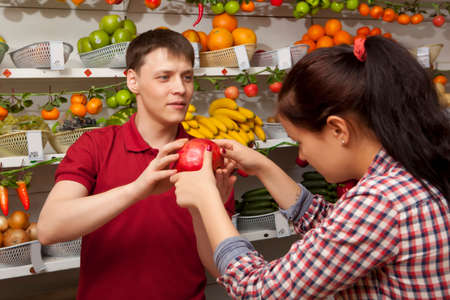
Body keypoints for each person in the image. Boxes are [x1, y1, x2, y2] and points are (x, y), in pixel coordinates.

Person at [170, 36, 450, 299]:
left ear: (338, 129)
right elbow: (337, 232)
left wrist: (208, 202)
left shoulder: (381, 199)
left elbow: (260, 291)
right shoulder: (410, 174)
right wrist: (264, 167)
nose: (302, 154)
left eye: (300, 141)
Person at [37, 29, 235, 300]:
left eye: (187, 77)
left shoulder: (208, 158)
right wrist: (138, 189)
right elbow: (49, 229)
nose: (180, 88)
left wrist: (204, 209)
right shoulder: (95, 145)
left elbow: (222, 270)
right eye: (164, 77)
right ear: (133, 80)